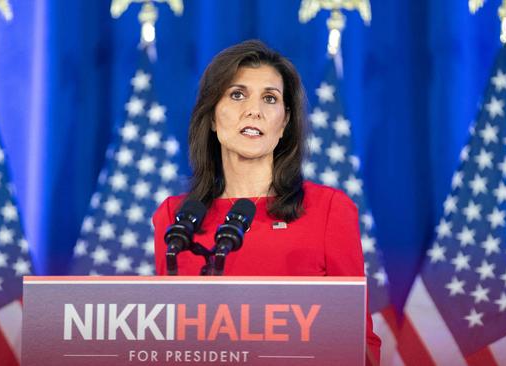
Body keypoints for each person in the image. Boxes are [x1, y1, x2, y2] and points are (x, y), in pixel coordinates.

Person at [153, 40, 381, 362]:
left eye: (270, 98)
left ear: (284, 122)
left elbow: (357, 338)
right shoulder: (176, 218)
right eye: (237, 94)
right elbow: (169, 337)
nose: (254, 110)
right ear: (213, 117)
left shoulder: (328, 209)